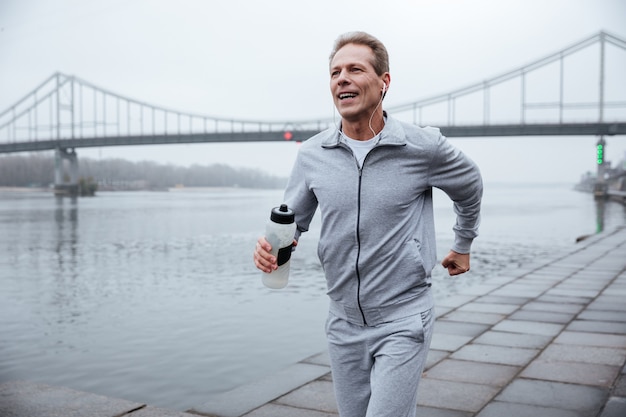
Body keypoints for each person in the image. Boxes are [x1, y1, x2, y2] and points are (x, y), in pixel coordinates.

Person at [253, 31, 483, 417]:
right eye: (335, 72)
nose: (341, 78)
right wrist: (271, 249)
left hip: (403, 317)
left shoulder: (422, 147)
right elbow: (292, 225)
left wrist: (463, 243)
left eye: (355, 69)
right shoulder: (312, 155)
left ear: (384, 82)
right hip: (342, 321)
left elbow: (470, 186)